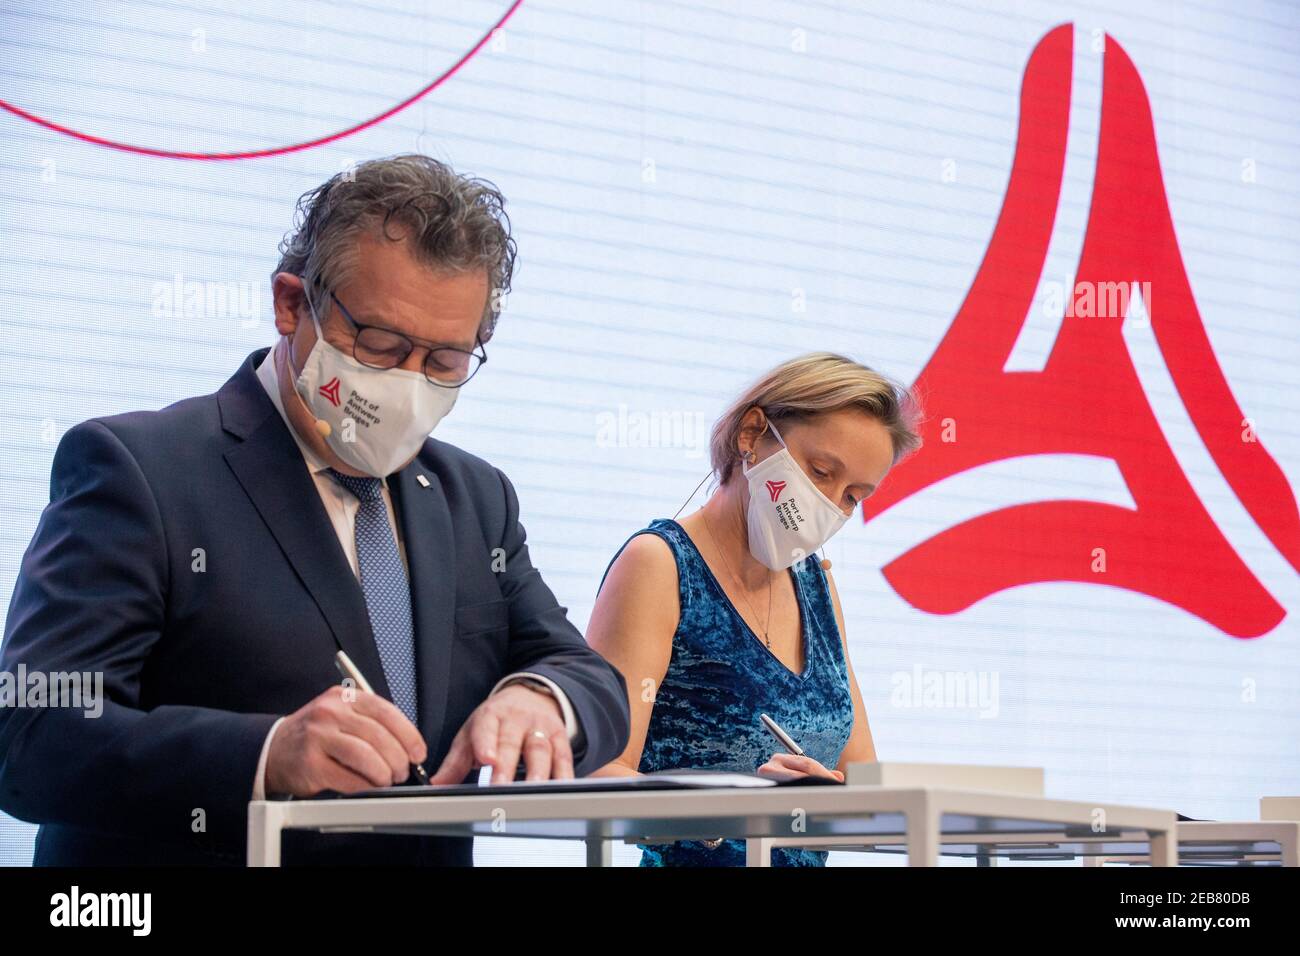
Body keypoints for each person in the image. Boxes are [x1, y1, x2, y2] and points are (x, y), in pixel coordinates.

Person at [0, 154, 629, 865]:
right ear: (292, 304)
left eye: (446, 363)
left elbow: (587, 676)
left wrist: (541, 698)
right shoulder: (141, 469)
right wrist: (266, 755)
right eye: (381, 345)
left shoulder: (475, 499)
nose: (408, 385)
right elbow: (30, 733)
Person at [588, 353, 921, 866]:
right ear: (752, 434)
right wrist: (742, 806)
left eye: (854, 496)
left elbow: (862, 780)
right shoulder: (659, 565)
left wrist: (822, 796)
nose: (830, 504)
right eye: (820, 471)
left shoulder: (818, 586)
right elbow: (598, 772)